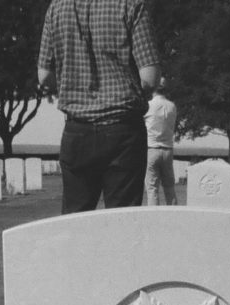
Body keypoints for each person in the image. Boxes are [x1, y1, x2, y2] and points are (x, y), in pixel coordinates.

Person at [37, 0, 161, 214]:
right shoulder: (130, 5)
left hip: (77, 131)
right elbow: (149, 78)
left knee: (75, 223)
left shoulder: (57, 7)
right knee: (122, 222)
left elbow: (44, 75)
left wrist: (72, 85)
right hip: (123, 131)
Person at [144, 78, 177, 206]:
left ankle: (153, 221)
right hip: (168, 149)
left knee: (152, 189)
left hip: (151, 148)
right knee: (169, 187)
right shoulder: (172, 106)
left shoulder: (148, 106)